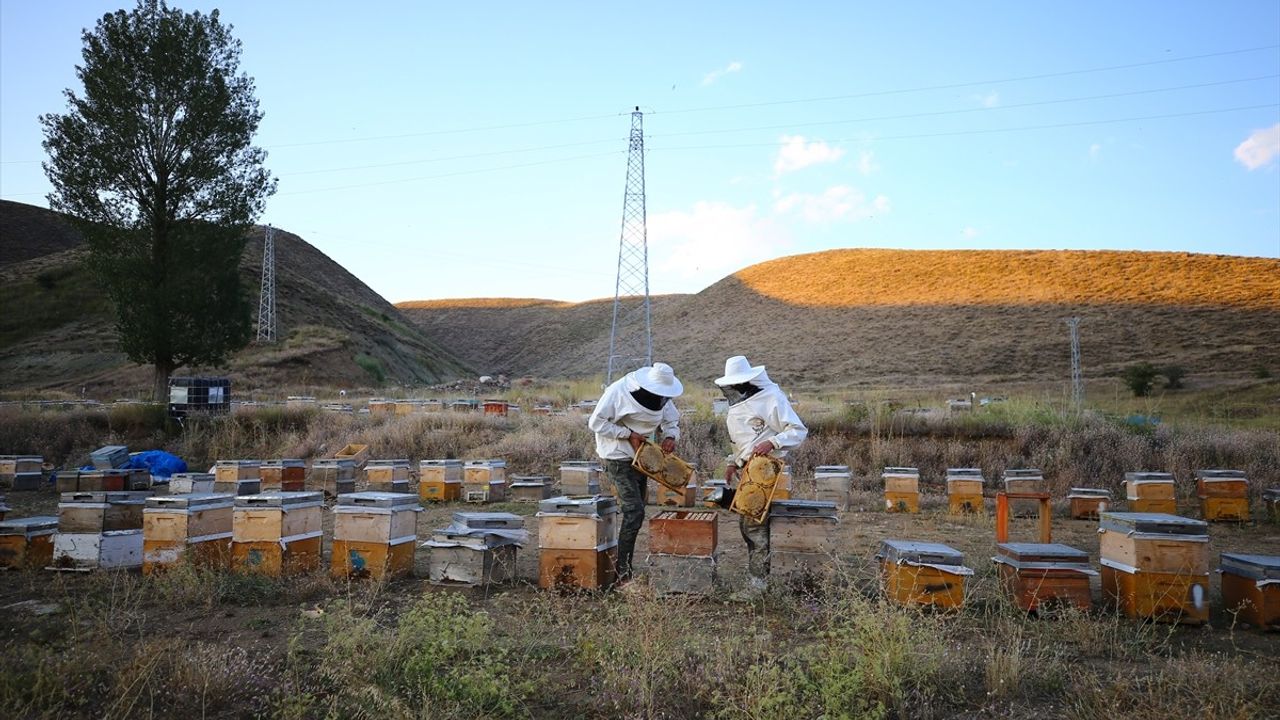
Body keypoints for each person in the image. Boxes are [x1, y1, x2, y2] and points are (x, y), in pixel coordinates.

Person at [715, 355, 808, 596]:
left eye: (735, 385)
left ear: (744, 382)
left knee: (755, 527)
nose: (732, 389)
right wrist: (732, 462)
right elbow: (744, 442)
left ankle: (758, 586)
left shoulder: (771, 397)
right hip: (748, 468)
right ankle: (757, 579)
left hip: (764, 468)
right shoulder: (740, 405)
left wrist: (772, 441)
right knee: (747, 525)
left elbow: (798, 430)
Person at [587, 362, 684, 585]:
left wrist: (670, 436)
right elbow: (596, 423)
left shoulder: (663, 396)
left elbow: (671, 419)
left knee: (637, 511)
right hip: (617, 455)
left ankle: (623, 566)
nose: (661, 398)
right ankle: (622, 574)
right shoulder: (618, 391)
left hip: (641, 456)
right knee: (634, 511)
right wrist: (626, 433)